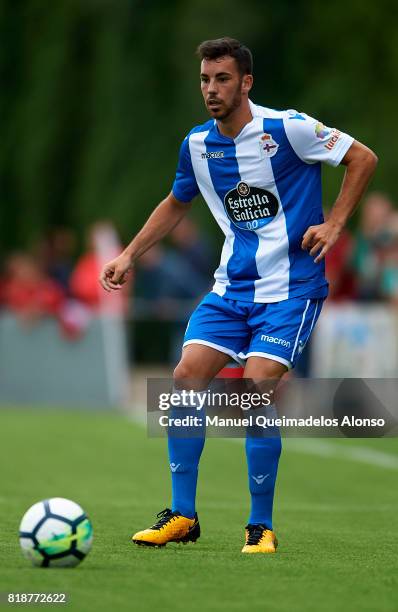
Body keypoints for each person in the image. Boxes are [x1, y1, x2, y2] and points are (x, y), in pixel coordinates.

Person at [99, 38, 377, 553]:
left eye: (222, 79)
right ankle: (183, 516)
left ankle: (260, 526)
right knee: (184, 378)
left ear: (245, 83)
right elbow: (176, 202)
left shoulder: (288, 128)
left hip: (291, 291)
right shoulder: (198, 145)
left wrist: (336, 222)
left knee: (255, 389)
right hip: (231, 290)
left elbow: (362, 157)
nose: (211, 89)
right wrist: (129, 254)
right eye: (205, 79)